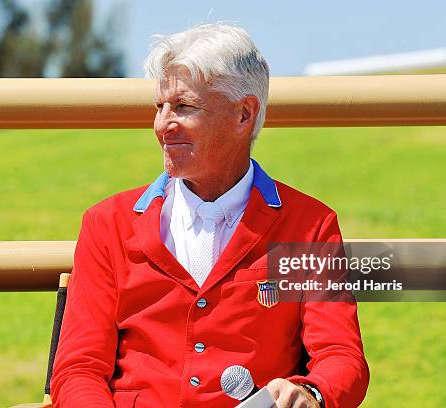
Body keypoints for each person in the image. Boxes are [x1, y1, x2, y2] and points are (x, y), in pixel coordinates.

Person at [50, 23, 369, 408]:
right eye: (160, 106)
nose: (162, 125)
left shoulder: (309, 225)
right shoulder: (107, 223)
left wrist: (312, 394)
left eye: (183, 107)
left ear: (244, 114)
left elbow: (340, 356)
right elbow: (79, 368)